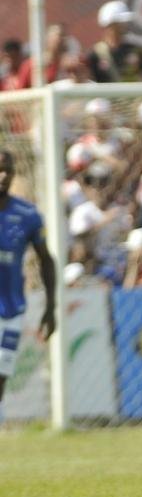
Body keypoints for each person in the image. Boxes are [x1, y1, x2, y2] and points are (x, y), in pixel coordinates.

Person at [0, 151, 56, 414]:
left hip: (10, 310)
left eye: (7, 170)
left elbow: (46, 260)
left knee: (1, 375)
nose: (3, 176)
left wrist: (51, 307)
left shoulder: (27, 214)